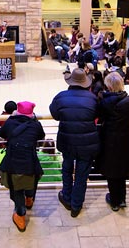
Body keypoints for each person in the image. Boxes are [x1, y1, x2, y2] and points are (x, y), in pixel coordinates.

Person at [50, 68, 99, 218]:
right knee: (82, 174)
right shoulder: (93, 98)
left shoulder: (61, 97)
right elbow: (98, 115)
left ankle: (66, 196)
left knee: (67, 168)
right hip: (87, 142)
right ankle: (76, 206)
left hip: (67, 140)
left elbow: (55, 115)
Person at [0, 101, 46, 232]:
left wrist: (12, 118)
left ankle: (20, 216)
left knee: (17, 189)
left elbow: (1, 134)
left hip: (13, 162)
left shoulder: (10, 122)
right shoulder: (35, 125)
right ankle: (29, 199)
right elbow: (41, 136)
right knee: (31, 179)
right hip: (30, 161)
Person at [97, 73, 129, 210]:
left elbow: (100, 118)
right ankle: (122, 199)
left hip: (110, 142)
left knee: (112, 172)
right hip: (127, 141)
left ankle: (114, 201)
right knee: (122, 171)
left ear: (108, 86)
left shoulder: (105, 102)